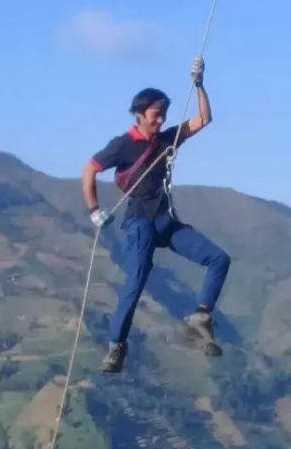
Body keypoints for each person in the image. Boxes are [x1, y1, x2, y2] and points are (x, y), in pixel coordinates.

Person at [81, 57, 231, 374]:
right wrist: (94, 211)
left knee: (218, 259)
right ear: (140, 114)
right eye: (155, 114)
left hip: (165, 220)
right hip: (139, 221)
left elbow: (204, 118)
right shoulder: (122, 145)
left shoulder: (166, 139)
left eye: (163, 113)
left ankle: (200, 318)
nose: (161, 119)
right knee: (136, 282)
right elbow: (90, 170)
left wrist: (200, 85)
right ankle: (116, 347)